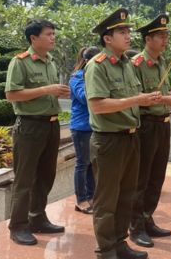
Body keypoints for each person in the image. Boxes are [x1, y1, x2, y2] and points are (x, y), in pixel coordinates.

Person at [85, 8, 162, 259]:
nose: (128, 35)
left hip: (131, 137)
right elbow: (97, 105)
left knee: (126, 195)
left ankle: (120, 243)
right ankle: (106, 250)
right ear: (107, 38)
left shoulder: (128, 64)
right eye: (121, 32)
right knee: (107, 200)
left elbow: (135, 99)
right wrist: (136, 99)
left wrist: (158, 99)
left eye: (128, 31)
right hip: (109, 140)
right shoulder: (97, 66)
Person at [4, 19, 70, 245]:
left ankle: (37, 218)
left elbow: (45, 94)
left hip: (51, 125)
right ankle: (18, 226)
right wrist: (47, 89)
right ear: (34, 38)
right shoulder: (20, 62)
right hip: (30, 127)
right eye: (49, 34)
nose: (53, 38)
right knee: (25, 179)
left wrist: (58, 93)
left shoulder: (50, 62)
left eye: (53, 34)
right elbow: (12, 94)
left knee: (45, 176)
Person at [129, 14, 171, 248]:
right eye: (161, 36)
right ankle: (135, 226)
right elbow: (137, 99)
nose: (165, 40)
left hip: (163, 123)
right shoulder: (137, 65)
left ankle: (147, 218)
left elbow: (164, 90)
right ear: (148, 39)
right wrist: (167, 99)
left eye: (166, 36)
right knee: (141, 178)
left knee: (157, 177)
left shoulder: (163, 62)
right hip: (146, 125)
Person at [70, 46, 101, 215]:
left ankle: (92, 197)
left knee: (91, 165)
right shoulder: (77, 77)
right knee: (82, 164)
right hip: (81, 127)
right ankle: (81, 200)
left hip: (94, 125)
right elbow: (84, 97)